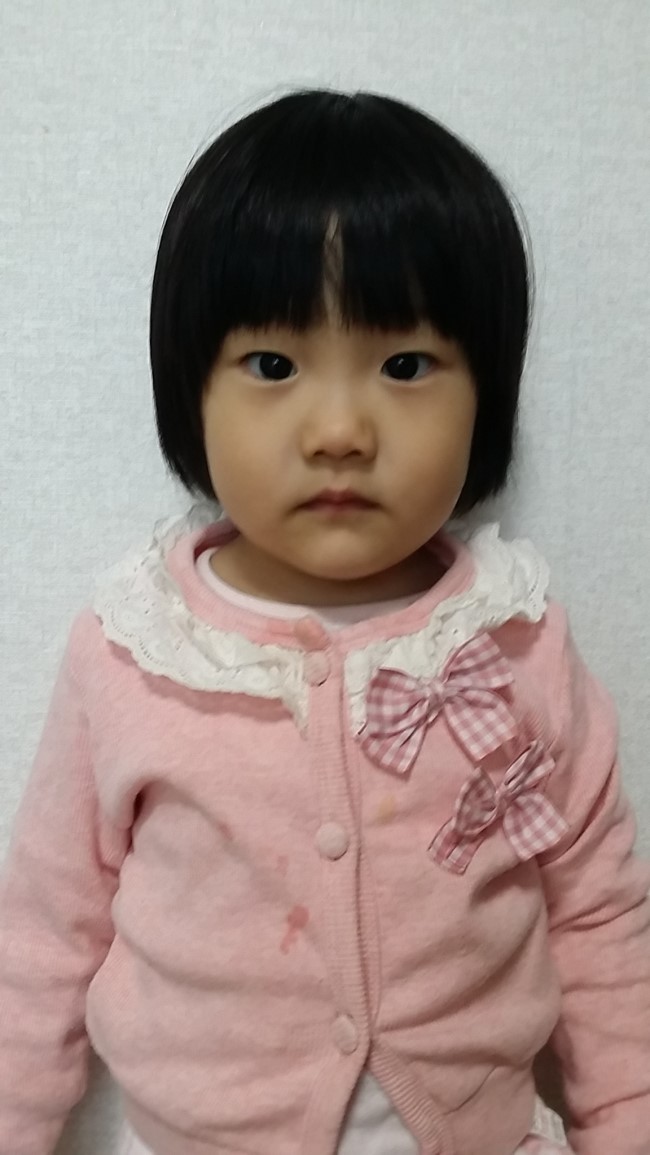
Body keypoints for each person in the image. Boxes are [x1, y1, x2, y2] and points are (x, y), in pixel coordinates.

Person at [0, 87, 649, 1155]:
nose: (340, 429)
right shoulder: (134, 654)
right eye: (272, 365)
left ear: (487, 391)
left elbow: (596, 917)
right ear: (189, 386)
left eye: (405, 366)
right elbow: (43, 938)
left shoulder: (514, 640)